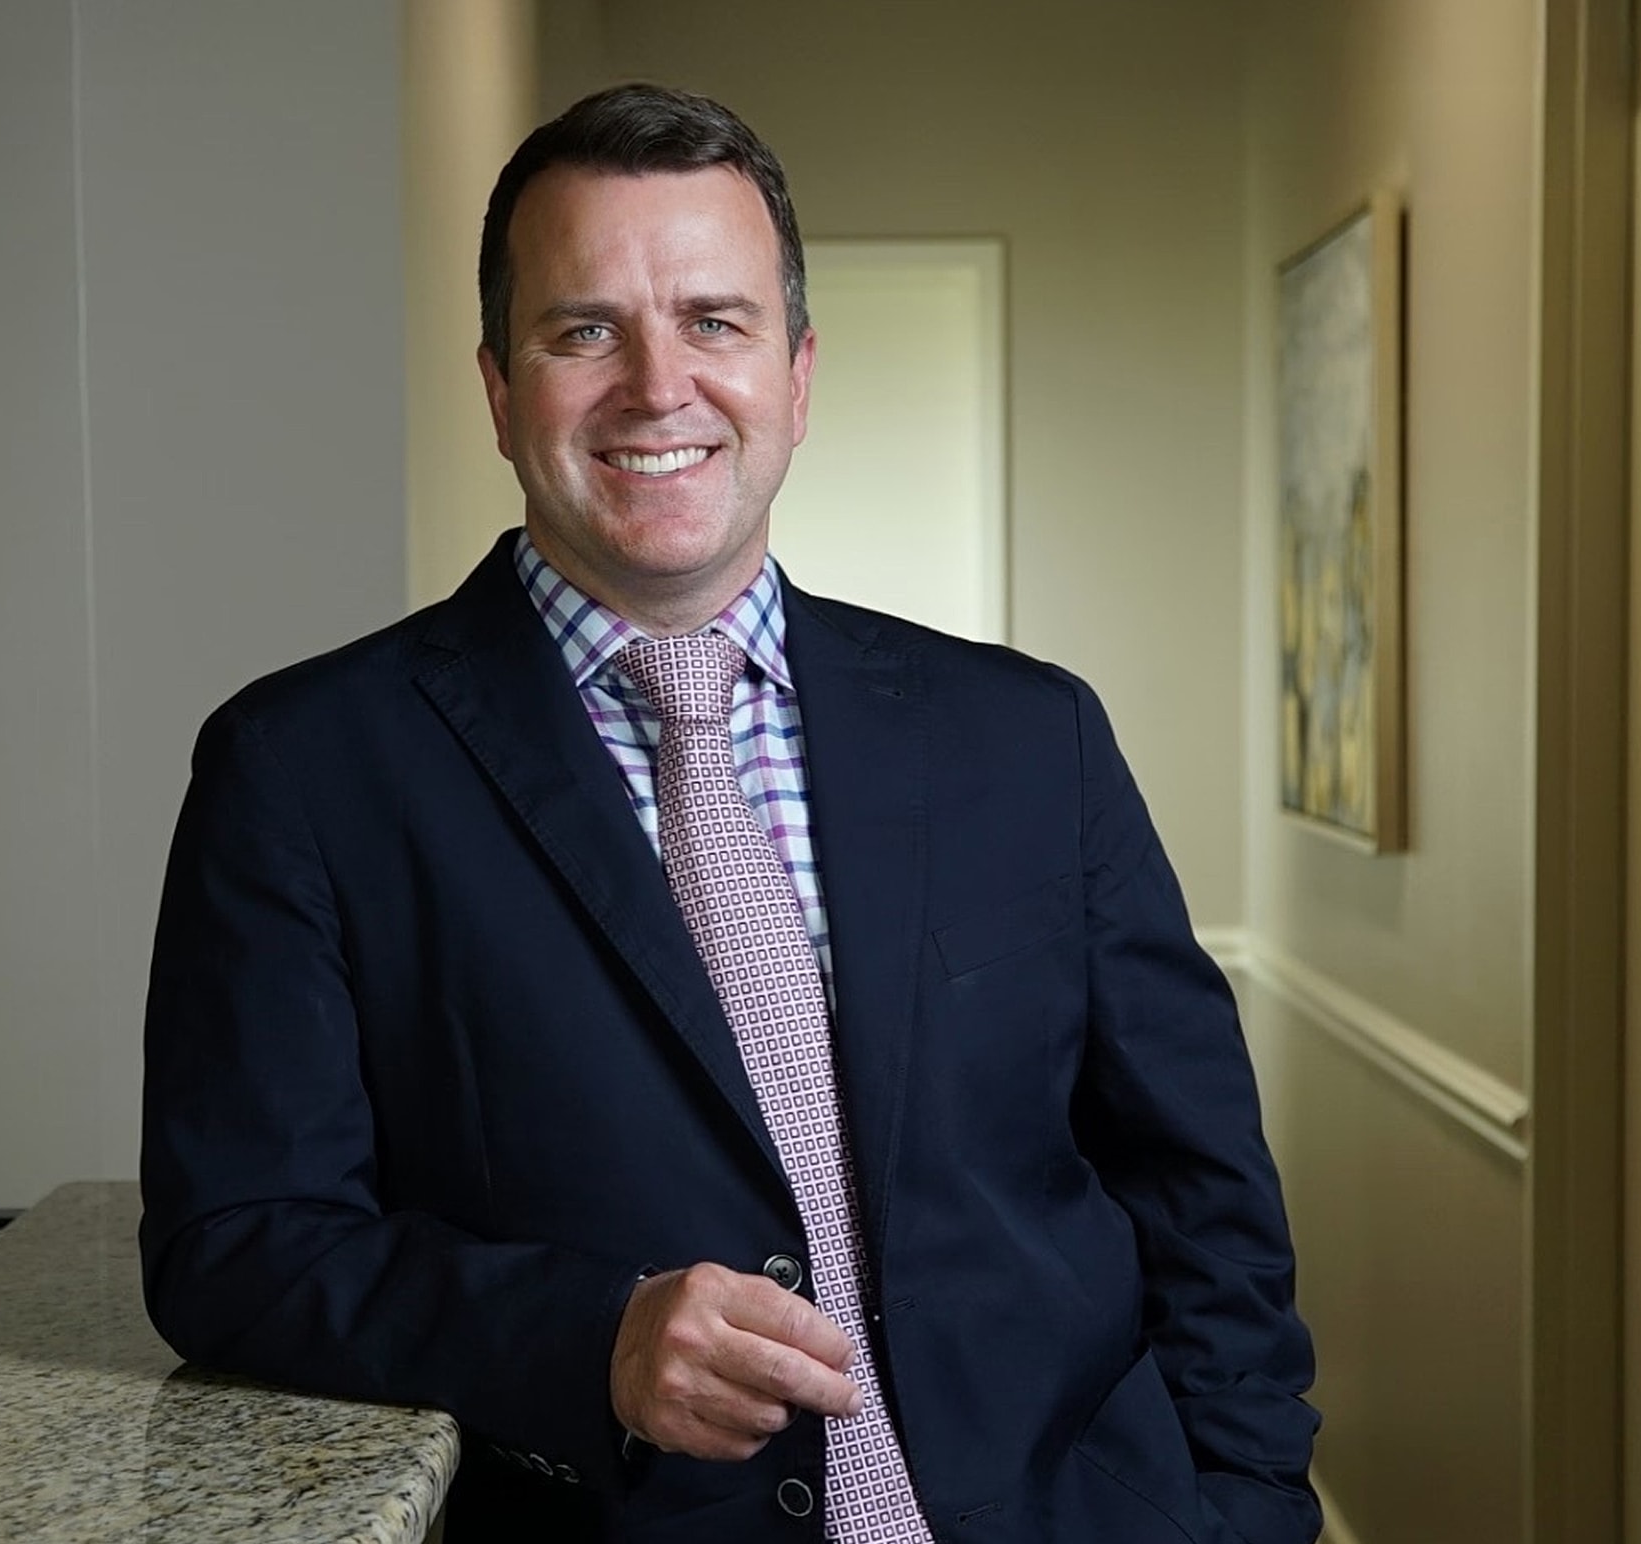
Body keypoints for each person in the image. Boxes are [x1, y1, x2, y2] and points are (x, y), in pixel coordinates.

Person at [139, 82, 1321, 1544]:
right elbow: (235, 1247)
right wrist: (590, 1335)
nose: (657, 386)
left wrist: (1249, 1510)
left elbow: (1200, 1190)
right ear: (502, 390)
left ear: (799, 375)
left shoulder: (1031, 737)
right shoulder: (305, 769)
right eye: (585, 331)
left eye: (715, 321)